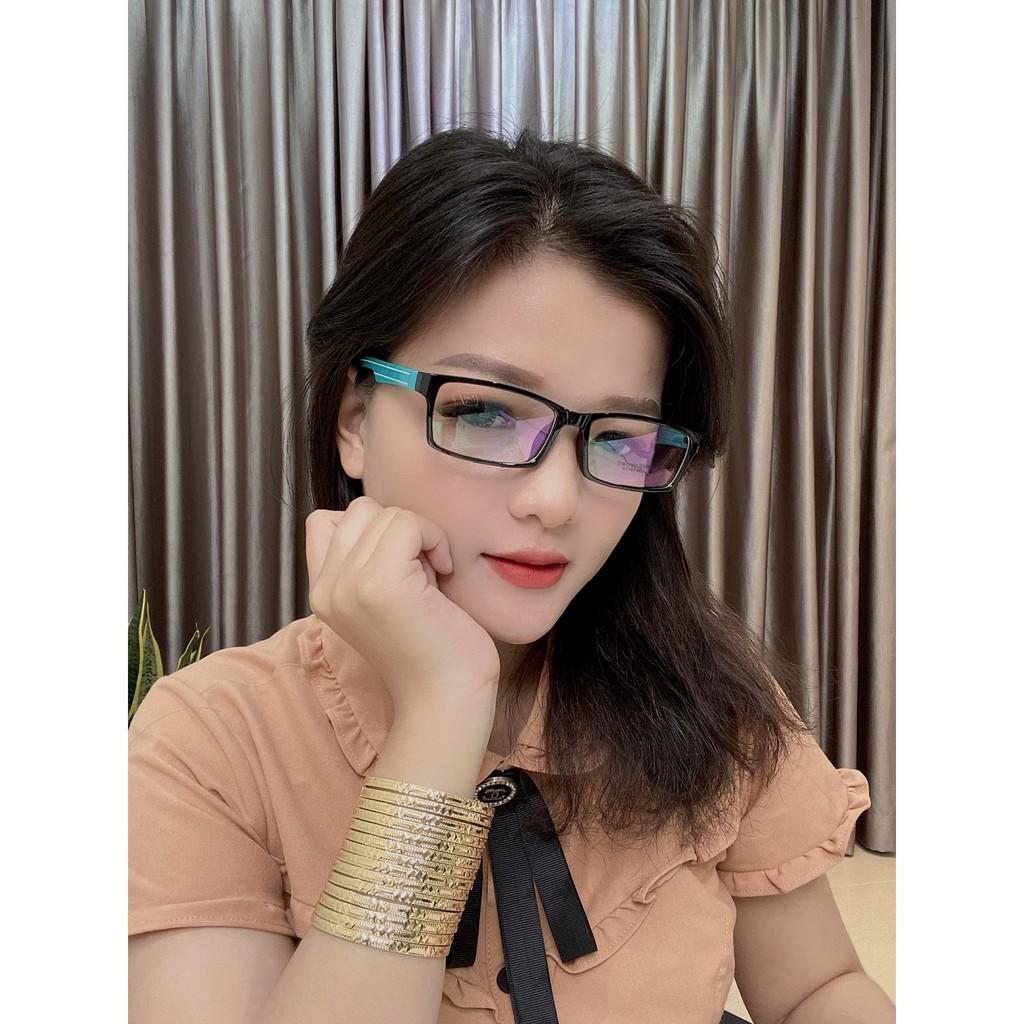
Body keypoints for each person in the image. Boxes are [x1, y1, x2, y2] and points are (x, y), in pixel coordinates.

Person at [128, 126, 895, 1024]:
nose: (557, 498)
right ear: (354, 421)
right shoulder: (210, 745)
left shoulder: (711, 700)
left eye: (619, 435)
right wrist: (440, 713)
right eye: (487, 413)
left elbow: (816, 988)